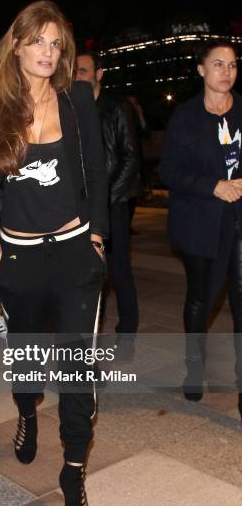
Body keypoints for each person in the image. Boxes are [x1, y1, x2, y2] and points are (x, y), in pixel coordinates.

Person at [0, 0, 108, 506]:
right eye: (38, 42)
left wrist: (97, 236)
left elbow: (98, 171)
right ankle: (27, 411)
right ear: (17, 45)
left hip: (75, 251)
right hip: (20, 256)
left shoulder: (77, 100)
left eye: (56, 43)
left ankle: (73, 470)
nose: (48, 53)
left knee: (80, 373)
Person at [159, 39, 242, 412]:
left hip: (239, 222)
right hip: (200, 223)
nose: (227, 72)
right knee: (200, 298)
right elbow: (169, 171)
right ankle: (195, 367)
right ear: (201, 70)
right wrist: (214, 186)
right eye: (219, 64)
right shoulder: (185, 117)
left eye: (233, 65)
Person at [75, 51, 139, 354]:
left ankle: (127, 332)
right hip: (81, 204)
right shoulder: (71, 106)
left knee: (118, 269)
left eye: (84, 71)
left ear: (99, 74)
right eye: (74, 71)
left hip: (113, 202)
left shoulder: (117, 107)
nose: (77, 77)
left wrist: (107, 198)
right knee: (86, 273)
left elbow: (130, 157)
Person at [126, 94, 151, 235]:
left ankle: (128, 225)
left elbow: (146, 134)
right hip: (125, 164)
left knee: (134, 196)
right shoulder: (122, 118)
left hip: (137, 163)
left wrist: (140, 114)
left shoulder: (136, 120)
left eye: (135, 104)